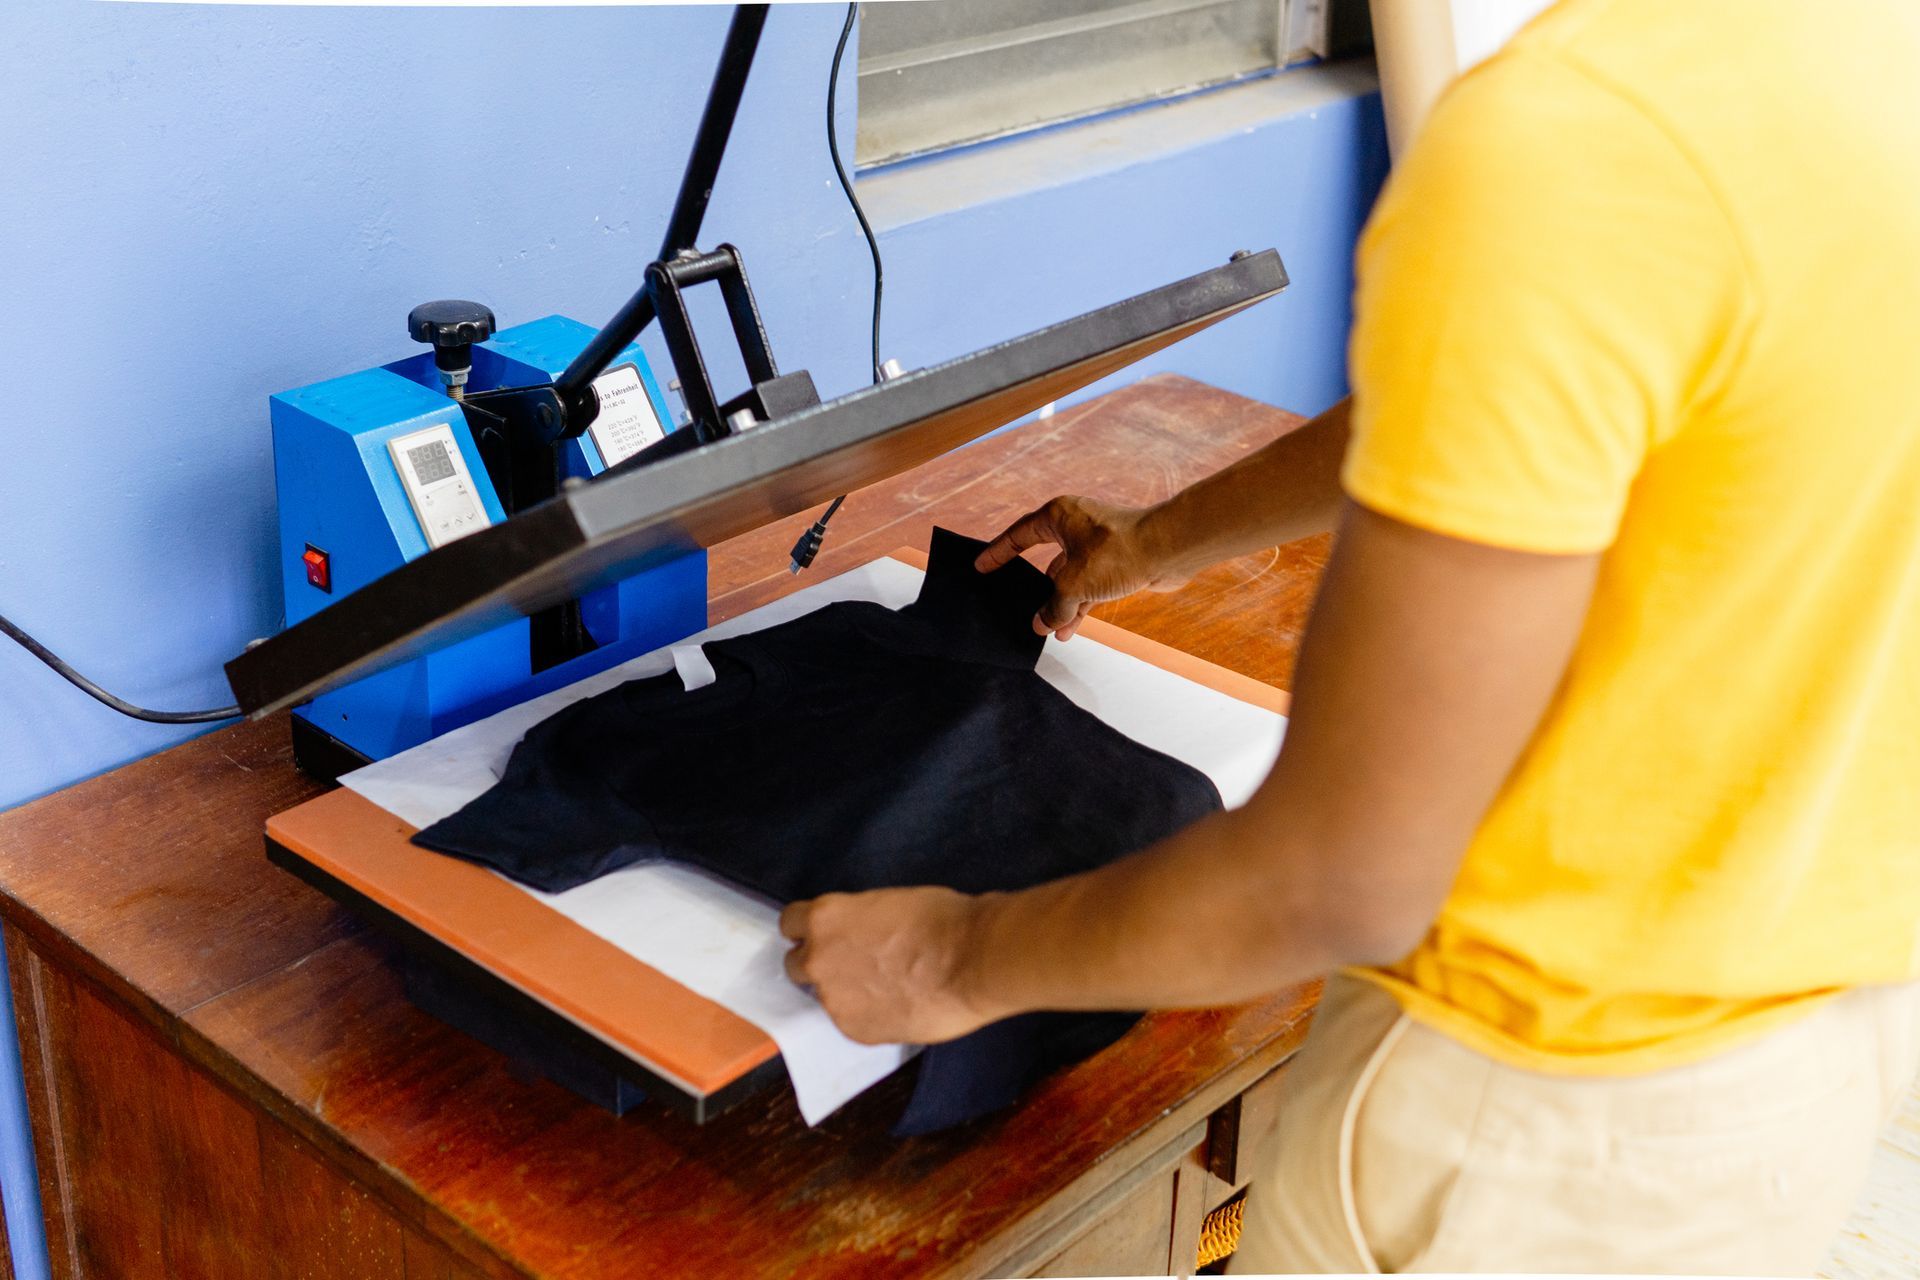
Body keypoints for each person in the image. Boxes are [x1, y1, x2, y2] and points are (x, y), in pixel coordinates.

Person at [779, 0, 1920, 1270]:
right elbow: (1539, 409)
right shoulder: (1855, 52)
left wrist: (950, 954)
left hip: (1524, 1130)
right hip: (1800, 1060)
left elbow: (1349, 873)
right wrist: (1154, 539)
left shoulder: (1583, 146)